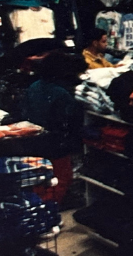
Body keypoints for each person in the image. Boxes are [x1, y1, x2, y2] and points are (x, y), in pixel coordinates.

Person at [20, 51, 87, 205]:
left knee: (40, 178)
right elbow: (71, 120)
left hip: (33, 140)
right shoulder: (61, 93)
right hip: (56, 144)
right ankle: (50, 207)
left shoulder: (34, 86)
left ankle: (40, 204)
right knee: (61, 178)